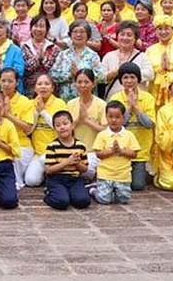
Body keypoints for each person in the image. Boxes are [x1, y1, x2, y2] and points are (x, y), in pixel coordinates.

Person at [109, 62, 155, 191]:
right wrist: (129, 108)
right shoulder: (116, 98)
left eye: (132, 77)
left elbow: (149, 124)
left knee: (137, 185)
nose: (129, 81)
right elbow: (116, 125)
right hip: (120, 151)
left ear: (138, 79)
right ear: (120, 80)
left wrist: (136, 107)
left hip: (140, 151)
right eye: (125, 77)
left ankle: (142, 173)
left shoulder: (148, 98)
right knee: (120, 184)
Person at [23, 73, 69, 187]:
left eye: (47, 84)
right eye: (39, 84)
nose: (43, 87)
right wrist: (36, 112)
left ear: (52, 88)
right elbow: (29, 130)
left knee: (45, 161)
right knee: (31, 181)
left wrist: (43, 112)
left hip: (56, 150)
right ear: (35, 88)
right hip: (38, 152)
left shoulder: (59, 103)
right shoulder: (30, 103)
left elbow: (60, 128)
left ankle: (52, 174)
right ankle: (48, 174)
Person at [92, 100, 141, 204]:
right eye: (110, 117)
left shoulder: (129, 135)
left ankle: (112, 193)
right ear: (106, 117)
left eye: (117, 117)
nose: (114, 120)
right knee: (104, 200)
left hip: (123, 175)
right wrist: (111, 151)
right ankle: (93, 191)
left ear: (123, 118)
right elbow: (98, 154)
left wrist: (121, 151)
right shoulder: (102, 135)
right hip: (105, 174)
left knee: (123, 199)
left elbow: (134, 154)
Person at [43, 110, 90, 210]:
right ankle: (49, 194)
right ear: (54, 129)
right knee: (62, 202)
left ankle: (68, 194)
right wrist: (67, 162)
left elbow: (85, 169)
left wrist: (77, 163)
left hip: (74, 179)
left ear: (72, 125)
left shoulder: (80, 146)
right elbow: (49, 170)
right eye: (58, 125)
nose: (62, 127)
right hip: (56, 179)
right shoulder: (52, 146)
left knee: (83, 201)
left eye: (65, 124)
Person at [66, 69, 106, 178]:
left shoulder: (101, 105)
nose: (83, 85)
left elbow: (105, 131)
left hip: (93, 151)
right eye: (79, 82)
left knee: (84, 171)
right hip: (73, 150)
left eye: (86, 82)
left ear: (93, 84)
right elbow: (66, 130)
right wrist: (79, 120)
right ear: (75, 84)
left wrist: (87, 121)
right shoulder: (70, 104)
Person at [50, 19, 101, 101]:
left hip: (87, 100)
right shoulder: (63, 55)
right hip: (66, 99)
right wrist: (69, 75)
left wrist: (81, 75)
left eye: (82, 32)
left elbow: (101, 77)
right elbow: (53, 75)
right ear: (70, 35)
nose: (78, 34)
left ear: (88, 35)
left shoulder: (93, 56)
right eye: (75, 32)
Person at [99, 21, 152, 98]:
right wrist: (116, 71)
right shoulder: (109, 56)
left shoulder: (142, 56)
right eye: (122, 34)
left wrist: (128, 71)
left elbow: (150, 74)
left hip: (137, 99)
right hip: (114, 100)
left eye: (129, 35)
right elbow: (101, 78)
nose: (125, 38)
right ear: (117, 36)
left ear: (135, 38)